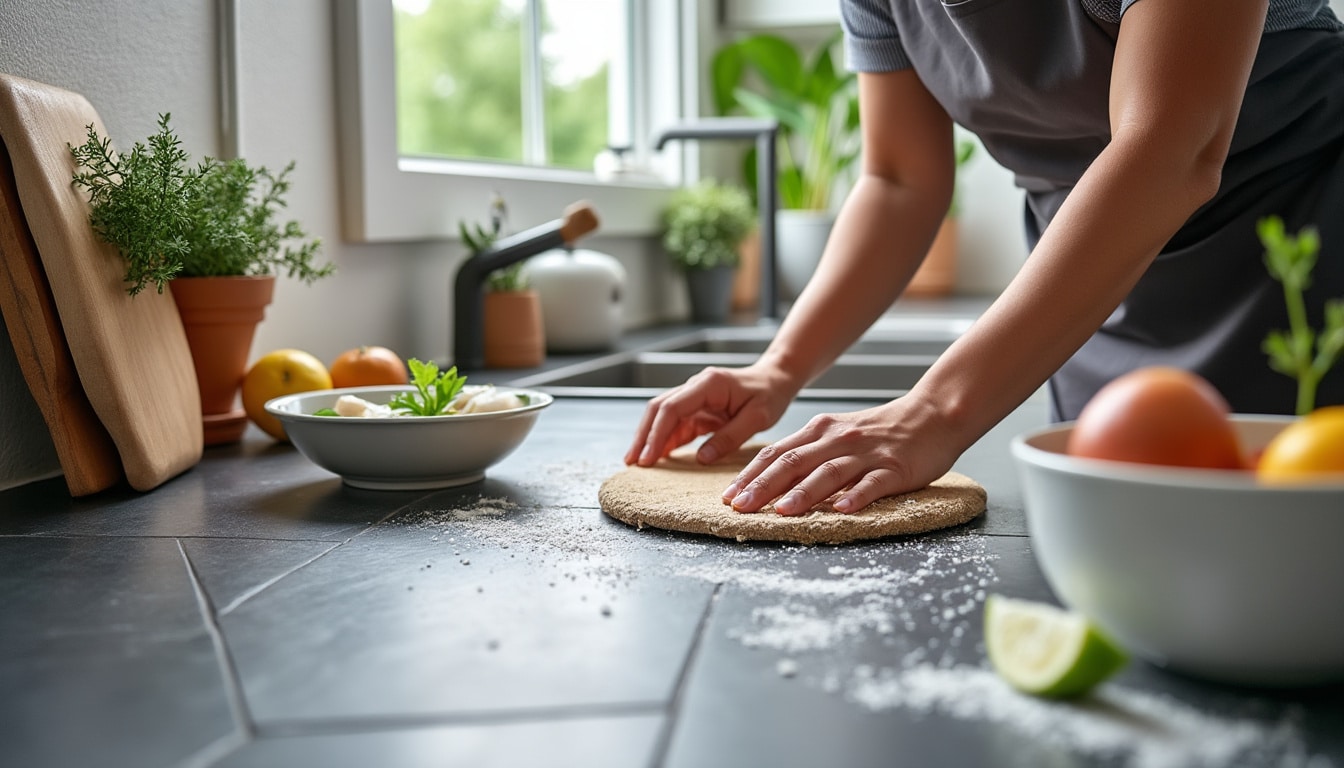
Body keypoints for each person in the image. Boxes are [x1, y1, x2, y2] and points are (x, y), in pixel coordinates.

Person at [624, 0, 1344, 516]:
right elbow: (900, 182)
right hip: (1091, 295)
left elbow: (1172, 148)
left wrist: (935, 409)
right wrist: (778, 368)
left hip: (1300, 254)